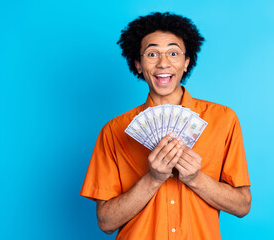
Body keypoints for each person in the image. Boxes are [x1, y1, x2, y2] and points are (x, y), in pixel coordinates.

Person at [80, 12, 251, 240]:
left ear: (186, 62)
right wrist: (153, 178)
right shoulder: (114, 131)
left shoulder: (224, 120)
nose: (163, 63)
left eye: (173, 53)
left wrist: (195, 179)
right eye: (152, 54)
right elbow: (106, 222)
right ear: (138, 64)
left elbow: (242, 206)